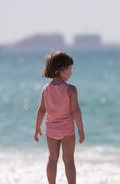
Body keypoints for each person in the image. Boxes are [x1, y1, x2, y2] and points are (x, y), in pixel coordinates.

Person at [34, 50, 85, 184]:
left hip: (51, 131)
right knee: (68, 160)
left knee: (52, 158)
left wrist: (37, 127)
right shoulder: (71, 89)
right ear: (61, 70)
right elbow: (75, 111)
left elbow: (41, 110)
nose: (71, 72)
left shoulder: (46, 89)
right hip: (67, 131)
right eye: (70, 69)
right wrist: (81, 129)